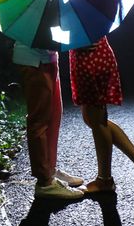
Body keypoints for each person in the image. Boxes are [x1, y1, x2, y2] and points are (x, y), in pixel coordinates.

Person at [69, 35, 134, 194]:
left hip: (90, 57)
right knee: (94, 120)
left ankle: (104, 180)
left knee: (98, 121)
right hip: (87, 54)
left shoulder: (77, 10)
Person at [14, 42, 85, 200]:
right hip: (34, 61)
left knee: (54, 116)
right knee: (39, 120)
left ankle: (50, 169)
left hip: (49, 58)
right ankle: (45, 182)